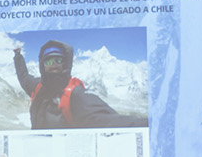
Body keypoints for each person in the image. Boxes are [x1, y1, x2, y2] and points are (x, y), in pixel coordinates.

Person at [13, 39, 146, 129]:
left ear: (65, 63)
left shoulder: (75, 95)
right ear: (43, 66)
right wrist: (18, 55)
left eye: (58, 60)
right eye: (48, 61)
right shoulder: (38, 86)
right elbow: (23, 77)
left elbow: (109, 120)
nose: (53, 65)